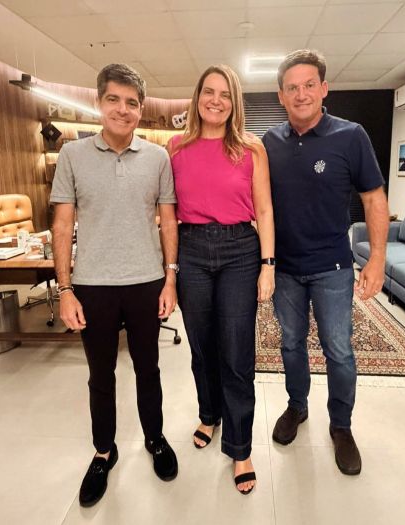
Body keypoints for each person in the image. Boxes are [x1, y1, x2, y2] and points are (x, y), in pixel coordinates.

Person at [50, 63, 179, 507]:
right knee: (100, 375)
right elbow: (62, 225)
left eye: (132, 103)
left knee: (149, 370)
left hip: (146, 283)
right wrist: (65, 289)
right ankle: (104, 451)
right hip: (92, 286)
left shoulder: (158, 158)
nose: (123, 110)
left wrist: (171, 278)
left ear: (141, 108)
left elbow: (168, 221)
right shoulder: (72, 155)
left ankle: (155, 439)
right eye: (114, 100)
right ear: (98, 102)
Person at [262, 49, 389, 475]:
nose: (301, 94)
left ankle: (341, 425)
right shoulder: (269, 143)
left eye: (309, 85)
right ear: (281, 96)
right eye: (292, 88)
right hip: (285, 269)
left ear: (324, 89)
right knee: (290, 343)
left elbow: (374, 199)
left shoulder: (351, 136)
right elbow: (260, 205)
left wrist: (376, 258)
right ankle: (297, 406)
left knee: (339, 350)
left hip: (332, 267)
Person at [167, 64, 275, 494]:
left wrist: (268, 264)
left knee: (236, 351)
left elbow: (264, 209)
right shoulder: (175, 147)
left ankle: (240, 445)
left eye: (225, 94)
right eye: (209, 92)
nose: (216, 100)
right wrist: (169, 270)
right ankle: (209, 414)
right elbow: (167, 212)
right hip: (192, 250)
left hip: (239, 252)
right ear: (197, 98)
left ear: (235, 103)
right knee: (201, 346)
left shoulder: (251, 148)